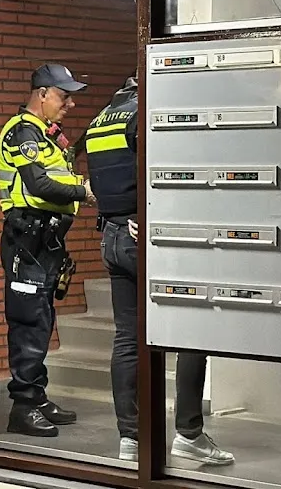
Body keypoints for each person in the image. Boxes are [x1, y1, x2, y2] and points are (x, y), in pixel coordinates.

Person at [84, 73, 234, 465]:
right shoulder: (145, 113)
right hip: (146, 238)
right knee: (193, 331)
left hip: (112, 236)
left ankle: (131, 439)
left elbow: (105, 183)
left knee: (127, 339)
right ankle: (189, 433)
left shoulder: (101, 118)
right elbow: (162, 173)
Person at [0, 63, 97, 437]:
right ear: (42, 94)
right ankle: (22, 407)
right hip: (27, 239)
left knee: (42, 318)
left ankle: (36, 398)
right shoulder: (22, 132)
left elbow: (57, 176)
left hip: (45, 240)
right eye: (64, 96)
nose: (70, 104)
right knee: (28, 321)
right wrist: (84, 192)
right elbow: (38, 185)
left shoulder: (45, 134)